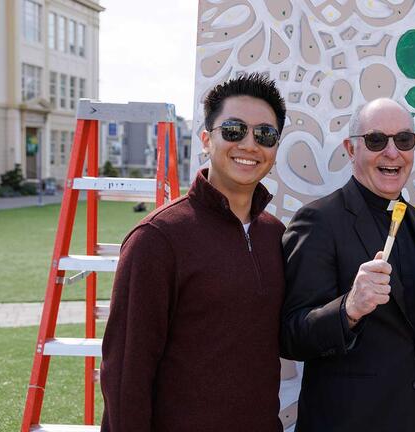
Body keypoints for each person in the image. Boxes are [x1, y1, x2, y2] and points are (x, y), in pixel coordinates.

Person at [101, 73, 287, 431]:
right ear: (206, 140)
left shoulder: (274, 235)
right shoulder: (157, 238)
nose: (250, 144)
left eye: (265, 135)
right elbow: (126, 373)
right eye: (234, 130)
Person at [281, 98, 415, 431]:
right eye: (376, 140)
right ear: (351, 149)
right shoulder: (318, 221)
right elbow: (291, 336)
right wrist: (349, 309)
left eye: (404, 140)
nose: (392, 152)